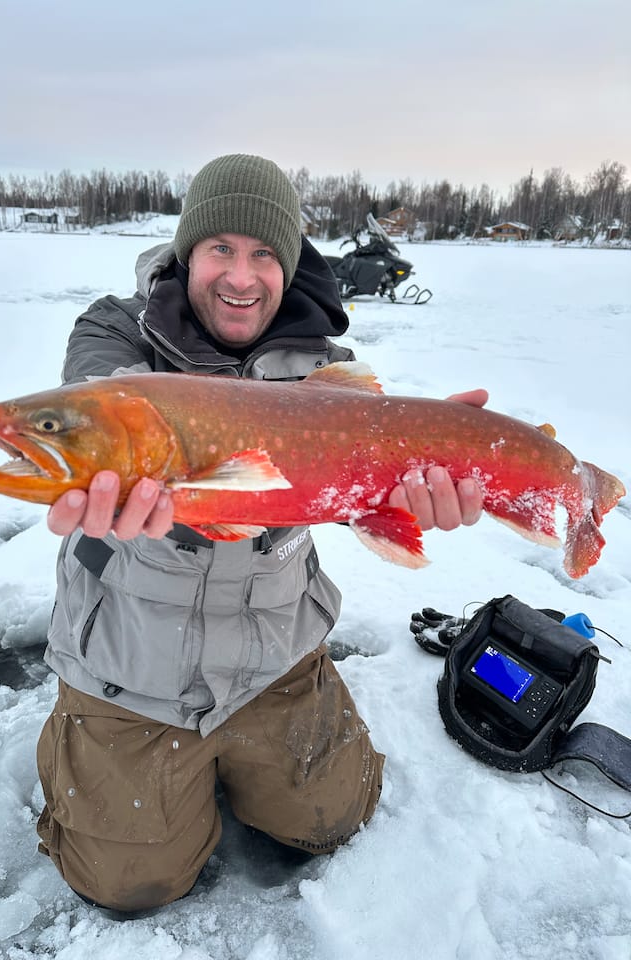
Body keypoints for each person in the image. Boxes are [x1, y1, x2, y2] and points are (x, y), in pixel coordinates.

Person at [36, 153, 486, 914]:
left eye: (264, 254)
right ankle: (85, 745)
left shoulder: (327, 370)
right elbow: (91, 402)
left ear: (289, 266)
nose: (241, 277)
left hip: (273, 653)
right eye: (221, 248)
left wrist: (422, 489)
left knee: (335, 820)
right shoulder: (117, 332)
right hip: (130, 662)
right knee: (127, 885)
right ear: (189, 253)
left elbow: (368, 487)